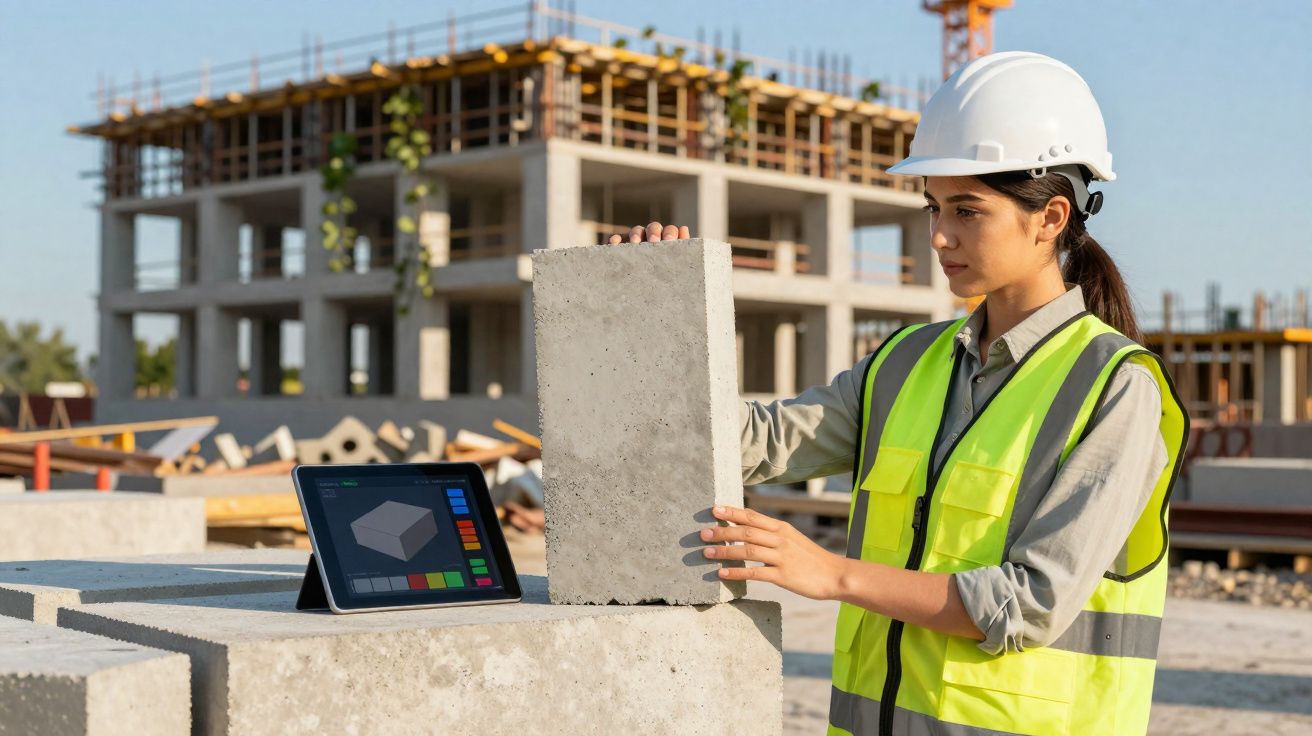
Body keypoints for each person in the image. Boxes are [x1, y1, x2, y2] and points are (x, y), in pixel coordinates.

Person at [608, 51, 1188, 736]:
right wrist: (657, 314)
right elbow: (753, 444)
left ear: (1051, 217)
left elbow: (1028, 603)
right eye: (933, 207)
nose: (940, 235)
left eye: (968, 210)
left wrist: (831, 574)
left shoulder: (1116, 388)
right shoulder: (904, 363)